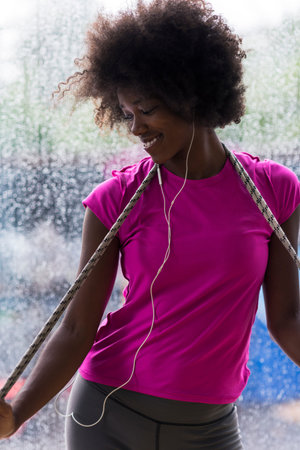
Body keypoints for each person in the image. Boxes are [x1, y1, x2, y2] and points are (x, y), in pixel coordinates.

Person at [1, 0, 299, 448]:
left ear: (191, 95)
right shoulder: (115, 200)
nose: (136, 128)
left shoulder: (275, 191)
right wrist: (16, 413)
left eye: (147, 109)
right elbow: (77, 329)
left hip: (210, 428)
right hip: (105, 415)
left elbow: (288, 317)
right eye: (127, 114)